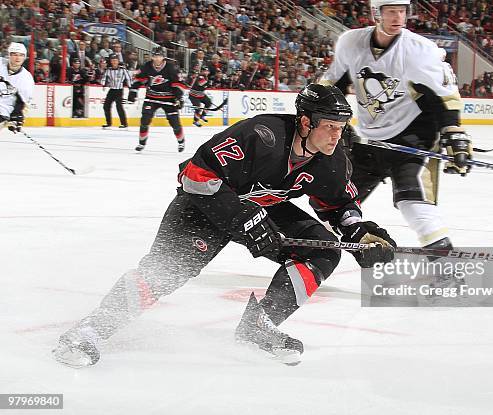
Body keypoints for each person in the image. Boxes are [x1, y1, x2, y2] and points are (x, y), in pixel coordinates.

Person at [52, 84, 396, 367]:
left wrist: (357, 230)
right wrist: (241, 217)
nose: (338, 135)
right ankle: (89, 331)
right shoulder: (262, 135)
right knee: (165, 272)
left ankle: (258, 329)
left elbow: (337, 203)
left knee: (321, 251)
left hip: (260, 209)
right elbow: (195, 176)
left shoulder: (332, 160)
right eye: (330, 126)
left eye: (342, 127)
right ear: (305, 122)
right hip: (203, 207)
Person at [319, 0, 472, 250]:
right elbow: (332, 86)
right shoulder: (351, 43)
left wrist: (453, 132)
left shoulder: (419, 49)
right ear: (375, 13)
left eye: (402, 11)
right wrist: (329, 123)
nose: (398, 17)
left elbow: (443, 97)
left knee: (412, 201)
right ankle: (315, 251)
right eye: (391, 11)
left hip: (413, 138)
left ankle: (446, 271)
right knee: (337, 200)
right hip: (371, 140)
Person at [127, 47, 188, 152]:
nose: (157, 58)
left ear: (163, 57)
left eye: (159, 56)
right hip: (151, 97)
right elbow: (139, 79)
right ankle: (141, 143)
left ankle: (181, 142)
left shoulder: (170, 67)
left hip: (169, 98)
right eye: (155, 56)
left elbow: (177, 84)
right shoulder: (147, 66)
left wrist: (179, 98)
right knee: (145, 120)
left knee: (175, 123)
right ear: (152, 57)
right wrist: (133, 92)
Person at [0, 42, 34, 134]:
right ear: (9, 55)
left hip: (3, 112)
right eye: (14, 54)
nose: (18, 58)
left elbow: (24, 103)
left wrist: (17, 117)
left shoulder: (26, 78)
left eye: (21, 55)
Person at [100, 54, 132, 129]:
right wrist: (103, 84)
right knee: (106, 106)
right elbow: (104, 78)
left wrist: (130, 88)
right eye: (113, 60)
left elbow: (128, 78)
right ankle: (108, 123)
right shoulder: (108, 70)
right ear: (111, 61)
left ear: (118, 61)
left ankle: (124, 124)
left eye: (115, 60)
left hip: (119, 90)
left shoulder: (123, 69)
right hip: (112, 90)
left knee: (119, 106)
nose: (114, 62)